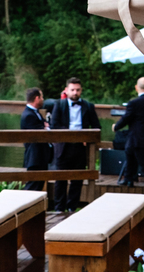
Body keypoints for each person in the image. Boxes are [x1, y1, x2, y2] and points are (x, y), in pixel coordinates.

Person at [49, 77, 100, 212]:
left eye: (77, 90)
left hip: (80, 147)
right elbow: (54, 126)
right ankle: (59, 208)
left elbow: (96, 126)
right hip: (63, 146)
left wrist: (87, 137)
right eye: (72, 90)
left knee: (77, 179)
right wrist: (69, 135)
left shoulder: (88, 106)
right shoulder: (59, 105)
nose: (75, 93)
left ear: (81, 90)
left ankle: (72, 207)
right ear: (67, 90)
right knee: (60, 179)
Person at [21, 87, 51, 192]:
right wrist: (45, 127)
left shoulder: (34, 113)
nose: (43, 99)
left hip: (40, 156)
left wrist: (45, 126)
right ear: (37, 98)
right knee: (32, 186)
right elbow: (40, 133)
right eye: (42, 97)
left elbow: (46, 126)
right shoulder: (29, 115)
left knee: (38, 184)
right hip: (35, 156)